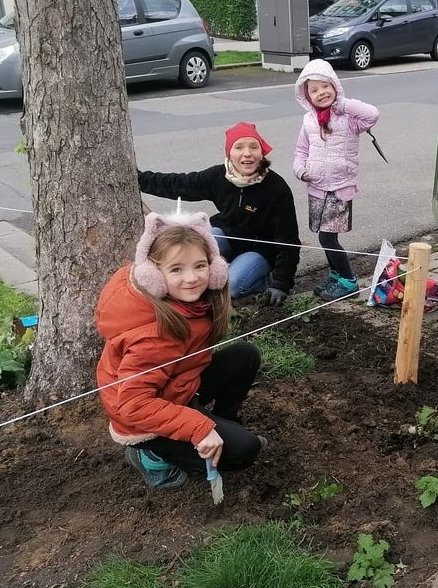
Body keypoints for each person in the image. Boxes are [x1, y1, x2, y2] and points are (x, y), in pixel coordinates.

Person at [95, 210, 267, 490]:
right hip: (142, 421)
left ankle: (224, 426)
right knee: (245, 452)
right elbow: (133, 406)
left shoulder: (190, 303)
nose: (192, 278)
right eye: (176, 269)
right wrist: (199, 429)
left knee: (244, 356)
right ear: (154, 275)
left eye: (200, 266)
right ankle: (151, 454)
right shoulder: (153, 337)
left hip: (175, 387)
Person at [138, 122, 300, 304]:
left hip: (259, 250)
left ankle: (261, 280)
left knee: (233, 286)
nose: (247, 153)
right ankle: (222, 268)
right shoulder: (218, 176)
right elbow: (180, 183)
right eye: (239, 147)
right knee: (206, 238)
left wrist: (281, 283)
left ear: (261, 154)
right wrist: (139, 179)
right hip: (226, 236)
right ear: (229, 154)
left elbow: (289, 241)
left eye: (253, 147)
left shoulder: (277, 189)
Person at [293, 59, 380, 301]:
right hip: (316, 188)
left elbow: (373, 114)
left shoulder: (348, 118)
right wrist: (300, 170)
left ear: (335, 86)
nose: (321, 93)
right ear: (306, 95)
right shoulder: (309, 120)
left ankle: (348, 281)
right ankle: (335, 275)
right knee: (322, 234)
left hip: (339, 188)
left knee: (327, 237)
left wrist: (343, 103)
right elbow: (301, 151)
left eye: (325, 86)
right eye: (314, 90)